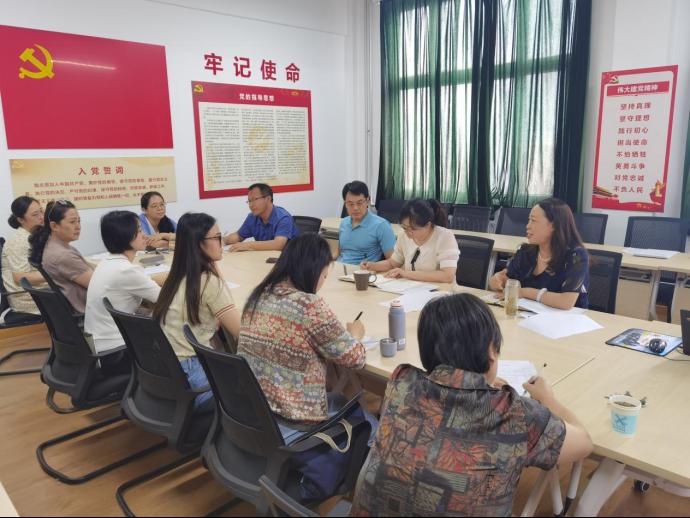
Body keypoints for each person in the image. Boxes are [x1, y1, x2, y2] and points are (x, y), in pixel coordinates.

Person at [351, 293, 593, 516]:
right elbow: (584, 444)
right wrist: (547, 398)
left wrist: (481, 386)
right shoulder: (515, 413)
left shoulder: (401, 381)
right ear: (491, 350)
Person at [237, 233, 372, 499]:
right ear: (314, 270)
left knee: (337, 396)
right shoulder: (308, 305)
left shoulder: (259, 295)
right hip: (295, 421)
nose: (323, 282)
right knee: (371, 423)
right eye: (325, 275)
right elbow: (356, 358)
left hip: (256, 413)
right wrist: (355, 334)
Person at [153, 212, 240, 413]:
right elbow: (240, 332)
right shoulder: (209, 282)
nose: (222, 243)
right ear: (199, 244)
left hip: (168, 375)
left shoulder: (176, 276)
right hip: (194, 379)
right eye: (217, 238)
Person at [84, 211, 163, 375]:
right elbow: (166, 299)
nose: (144, 235)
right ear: (125, 236)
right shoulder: (125, 271)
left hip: (101, 345)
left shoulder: (106, 262)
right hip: (117, 352)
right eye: (139, 230)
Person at [489, 198, 589, 310]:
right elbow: (506, 279)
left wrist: (525, 292)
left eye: (534, 221)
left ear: (554, 225)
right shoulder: (525, 252)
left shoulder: (577, 256)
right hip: (528, 315)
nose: (528, 226)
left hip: (569, 318)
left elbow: (566, 302)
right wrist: (496, 280)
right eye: (529, 220)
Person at [362, 199, 459, 284]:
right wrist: (373, 265)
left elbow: (447, 276)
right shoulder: (403, 235)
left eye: (413, 229)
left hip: (439, 291)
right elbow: (392, 263)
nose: (408, 233)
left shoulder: (444, 236)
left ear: (428, 225)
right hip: (409, 289)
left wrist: (406, 273)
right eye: (405, 228)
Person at [29, 200, 93, 314]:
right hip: (89, 311)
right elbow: (98, 285)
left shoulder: (53, 245)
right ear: (54, 226)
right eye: (72, 222)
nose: (78, 226)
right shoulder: (63, 255)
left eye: (79, 221)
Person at [1, 196, 45, 324]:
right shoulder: (18, 241)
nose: (41, 217)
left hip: (38, 291)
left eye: (41, 211)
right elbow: (20, 277)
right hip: (28, 299)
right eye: (35, 214)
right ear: (20, 219)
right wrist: (55, 274)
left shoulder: (33, 235)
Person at [223, 183, 299, 252]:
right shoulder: (252, 217)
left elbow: (278, 244)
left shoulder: (283, 218)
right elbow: (239, 236)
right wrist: (223, 240)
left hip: (288, 259)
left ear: (268, 199)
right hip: (265, 258)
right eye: (249, 201)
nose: (251, 205)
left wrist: (247, 245)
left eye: (255, 199)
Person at [336, 181, 396, 265]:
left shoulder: (381, 225)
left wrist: (374, 267)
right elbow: (339, 253)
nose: (355, 208)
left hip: (361, 271)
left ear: (367, 200)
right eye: (350, 204)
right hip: (339, 268)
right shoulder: (344, 223)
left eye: (359, 203)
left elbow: (393, 262)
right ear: (345, 203)